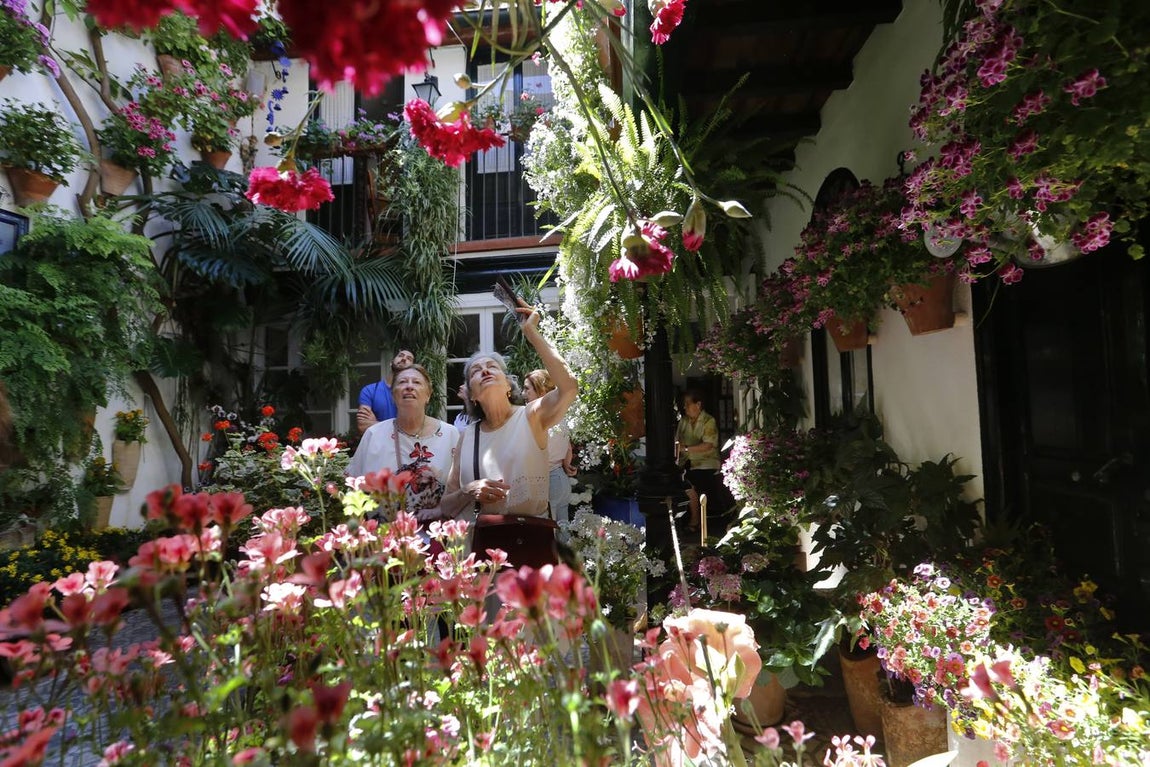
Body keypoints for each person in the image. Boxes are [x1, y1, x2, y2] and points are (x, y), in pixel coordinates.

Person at [443, 304, 577, 526]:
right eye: (476, 371)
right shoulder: (467, 436)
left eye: (492, 367)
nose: (485, 370)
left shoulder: (531, 416)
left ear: (508, 385)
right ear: (472, 394)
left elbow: (569, 387)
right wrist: (468, 491)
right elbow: (446, 506)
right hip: (483, 549)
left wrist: (533, 334)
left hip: (530, 547)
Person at [347, 364, 457, 527]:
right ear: (393, 395)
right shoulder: (374, 434)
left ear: (428, 395)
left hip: (438, 538)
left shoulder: (450, 435)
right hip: (383, 537)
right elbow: (353, 488)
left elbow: (462, 491)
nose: (409, 386)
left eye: (417, 382)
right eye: (403, 382)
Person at [523, 369, 578, 521]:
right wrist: (566, 463)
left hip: (547, 481)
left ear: (541, 390)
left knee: (549, 536)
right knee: (563, 533)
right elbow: (567, 446)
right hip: (561, 478)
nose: (523, 394)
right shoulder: (561, 413)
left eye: (527, 389)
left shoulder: (539, 419)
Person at [675, 388, 721, 531]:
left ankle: (695, 520)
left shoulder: (708, 420)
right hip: (686, 462)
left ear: (698, 404)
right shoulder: (684, 421)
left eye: (688, 404)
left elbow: (708, 445)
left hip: (706, 462)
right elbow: (677, 440)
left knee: (689, 483)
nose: (685, 407)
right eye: (684, 404)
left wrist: (686, 448)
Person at [356, 348, 415, 434]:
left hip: (404, 447)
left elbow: (412, 429)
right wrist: (399, 429)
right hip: (377, 446)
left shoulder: (412, 393)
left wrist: (376, 423)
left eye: (409, 358)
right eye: (400, 356)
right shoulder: (370, 391)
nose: (404, 359)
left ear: (413, 369)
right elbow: (363, 426)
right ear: (391, 362)